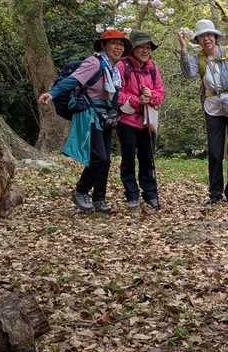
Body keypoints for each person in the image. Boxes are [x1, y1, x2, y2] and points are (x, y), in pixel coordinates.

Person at [40, 27, 128, 213]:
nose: (118, 47)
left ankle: (99, 199)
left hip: (105, 116)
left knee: (106, 160)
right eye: (114, 43)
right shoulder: (94, 63)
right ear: (104, 46)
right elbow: (74, 80)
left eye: (121, 44)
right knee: (99, 157)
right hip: (89, 114)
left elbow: (114, 95)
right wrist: (52, 93)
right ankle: (81, 191)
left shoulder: (115, 69)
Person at [178, 19, 228, 205]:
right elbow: (189, 74)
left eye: (209, 35)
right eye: (202, 37)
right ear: (198, 41)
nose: (206, 39)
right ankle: (215, 193)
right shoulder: (199, 59)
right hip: (213, 107)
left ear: (215, 37)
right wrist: (183, 49)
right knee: (214, 151)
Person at [117, 31, 164, 211]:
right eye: (141, 47)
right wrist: (137, 100)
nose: (145, 51)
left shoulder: (152, 68)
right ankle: (131, 194)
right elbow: (116, 93)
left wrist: (151, 97)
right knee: (128, 159)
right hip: (127, 121)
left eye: (148, 47)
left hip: (148, 122)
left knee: (147, 158)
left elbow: (160, 92)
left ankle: (150, 193)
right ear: (132, 48)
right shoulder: (122, 66)